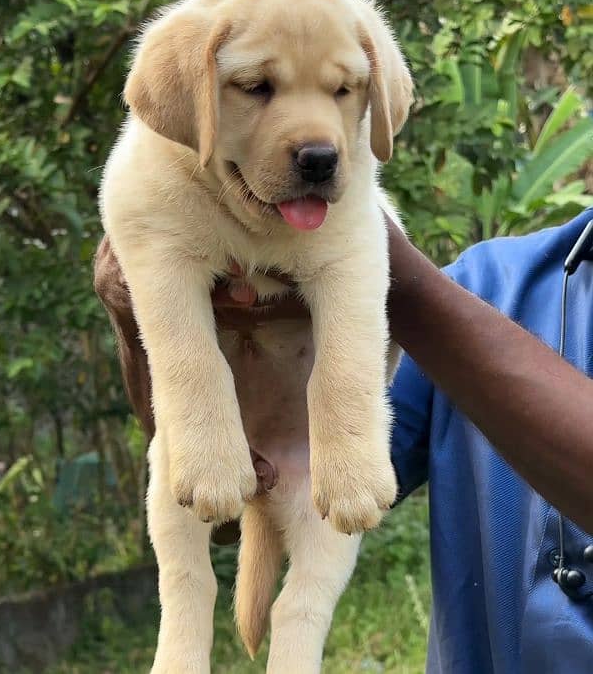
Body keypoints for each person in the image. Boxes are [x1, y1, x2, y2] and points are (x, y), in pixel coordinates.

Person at [94, 208, 593, 673]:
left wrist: (386, 277)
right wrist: (143, 302)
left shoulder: (440, 298)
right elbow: (251, 493)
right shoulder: (487, 284)